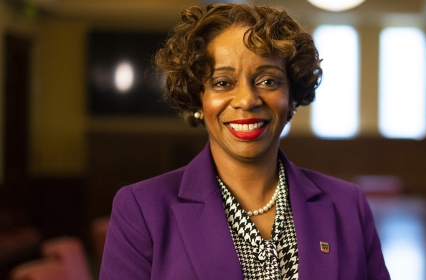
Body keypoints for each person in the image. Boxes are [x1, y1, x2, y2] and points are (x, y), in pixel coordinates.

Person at [99, 3, 390, 280]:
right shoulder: (142, 209)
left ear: (291, 97)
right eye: (223, 83)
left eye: (268, 81)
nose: (248, 100)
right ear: (198, 98)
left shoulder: (348, 205)